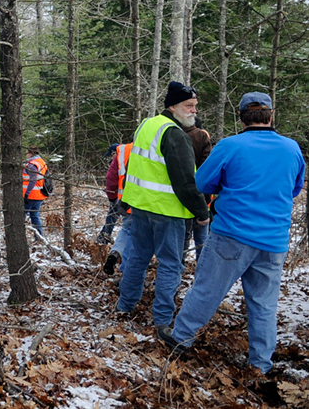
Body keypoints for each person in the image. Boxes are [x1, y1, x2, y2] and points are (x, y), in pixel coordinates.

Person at [158, 92, 304, 375]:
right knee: (263, 305)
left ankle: (181, 338)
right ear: (271, 115)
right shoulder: (291, 149)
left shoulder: (230, 145)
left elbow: (202, 182)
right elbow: (295, 188)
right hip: (274, 241)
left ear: (241, 117)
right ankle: (260, 364)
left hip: (232, 235)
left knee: (208, 290)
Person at [116, 81, 210, 328]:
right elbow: (186, 182)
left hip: (140, 207)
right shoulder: (175, 135)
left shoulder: (147, 125)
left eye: (195, 106)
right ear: (173, 106)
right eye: (189, 106)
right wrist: (202, 213)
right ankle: (163, 320)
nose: (193, 111)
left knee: (137, 258)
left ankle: (124, 306)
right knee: (170, 266)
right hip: (167, 212)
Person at [182, 117, 213, 262]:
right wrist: (205, 202)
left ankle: (178, 268)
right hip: (200, 197)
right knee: (202, 238)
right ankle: (203, 270)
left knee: (183, 238)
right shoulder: (202, 138)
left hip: (179, 200)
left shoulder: (174, 136)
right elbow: (206, 172)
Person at [102, 142, 133, 275]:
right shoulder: (157, 147)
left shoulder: (123, 151)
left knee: (126, 230)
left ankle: (115, 253)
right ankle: (127, 270)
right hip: (149, 203)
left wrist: (112, 197)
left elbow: (111, 178)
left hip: (124, 200)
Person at [96, 143, 122, 244]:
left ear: (115, 153)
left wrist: (111, 197)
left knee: (111, 217)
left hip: (118, 196)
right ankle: (103, 238)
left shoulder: (118, 161)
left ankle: (103, 239)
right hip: (128, 196)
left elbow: (111, 179)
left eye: (111, 155)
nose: (111, 158)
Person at [23, 146, 48, 235]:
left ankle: (15, 236)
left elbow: (33, 180)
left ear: (31, 153)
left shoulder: (32, 165)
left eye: (27, 153)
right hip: (39, 194)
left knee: (20, 216)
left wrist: (27, 194)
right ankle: (39, 237)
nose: (26, 155)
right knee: (35, 216)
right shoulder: (41, 162)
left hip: (30, 195)